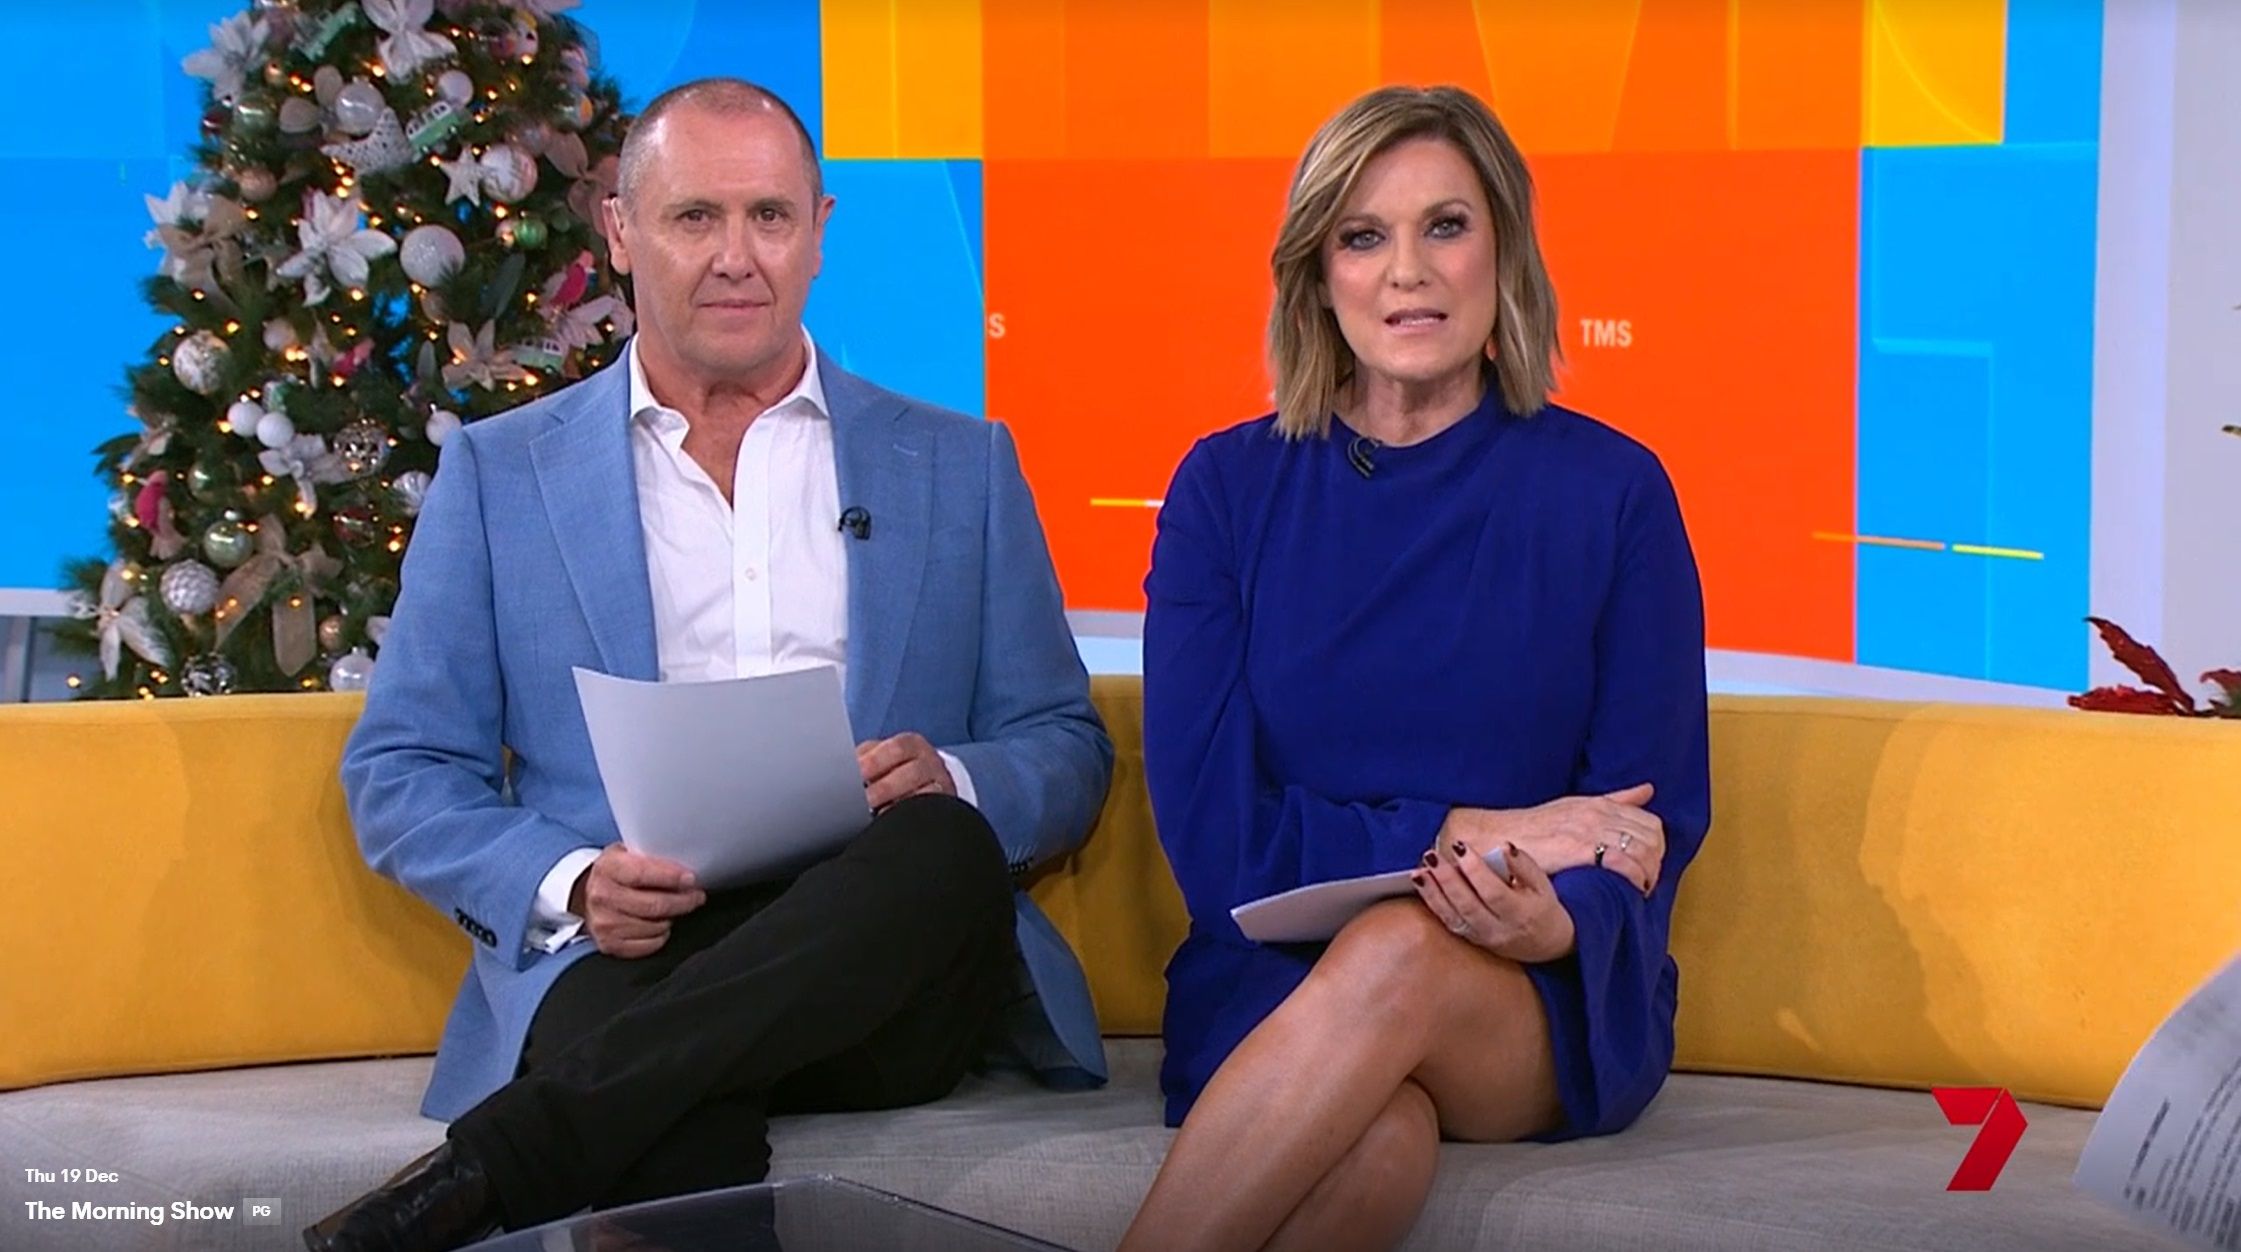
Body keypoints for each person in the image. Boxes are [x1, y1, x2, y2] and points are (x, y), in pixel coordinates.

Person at [307, 78, 1112, 1252]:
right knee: (664, 1088)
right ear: (622, 231)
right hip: (633, 955)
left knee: (942, 843)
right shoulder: (500, 475)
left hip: (882, 959)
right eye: (695, 217)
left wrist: (953, 776)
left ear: (819, 233)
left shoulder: (960, 463)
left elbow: (1066, 747)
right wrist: (573, 880)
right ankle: (532, 1149)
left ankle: (490, 1167)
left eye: (769, 217)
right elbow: (402, 768)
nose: (738, 257)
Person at [1122, 85, 1711, 1252]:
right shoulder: (1225, 490)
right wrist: (1470, 829)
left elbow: (1644, 824)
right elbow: (1216, 844)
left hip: (1528, 990)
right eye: (1363, 236)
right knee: (1379, 1140)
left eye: (1445, 226)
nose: (1407, 272)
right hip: (1271, 975)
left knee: (1397, 950)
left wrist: (1553, 923)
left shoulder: (1614, 492)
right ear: (1316, 273)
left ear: (1504, 250)